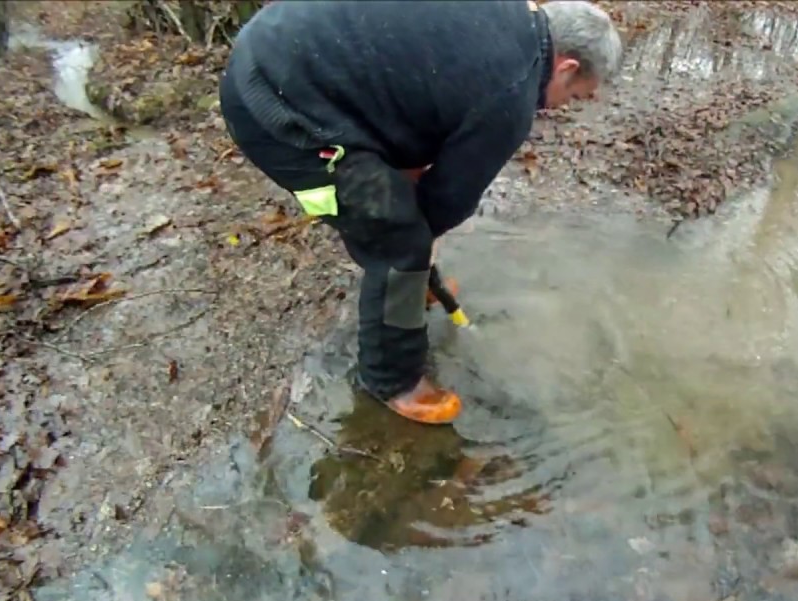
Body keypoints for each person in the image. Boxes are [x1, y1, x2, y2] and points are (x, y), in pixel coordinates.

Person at [218, 0, 622, 425]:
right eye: (573, 95)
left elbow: (417, 92)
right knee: (399, 241)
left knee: (404, 210)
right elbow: (449, 198)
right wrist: (416, 252)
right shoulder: (511, 90)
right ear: (566, 66)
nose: (560, 106)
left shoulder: (508, 14)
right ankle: (391, 379)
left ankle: (409, 292)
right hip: (275, 111)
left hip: (284, 51)